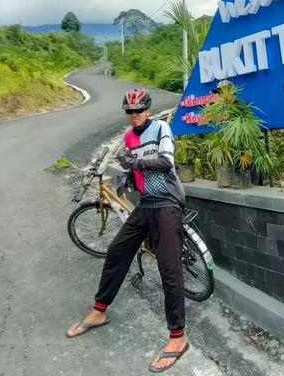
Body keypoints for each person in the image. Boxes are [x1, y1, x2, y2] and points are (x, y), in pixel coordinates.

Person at [66, 88, 188, 373]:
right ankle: (99, 310)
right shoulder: (129, 137)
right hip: (147, 203)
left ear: (148, 109)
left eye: (139, 110)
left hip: (168, 202)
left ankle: (178, 337)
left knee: (170, 270)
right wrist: (127, 176)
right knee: (117, 251)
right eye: (130, 112)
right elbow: (132, 165)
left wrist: (136, 163)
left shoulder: (161, 128)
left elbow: (166, 162)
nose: (134, 116)